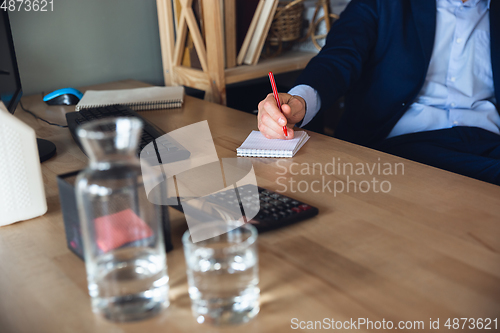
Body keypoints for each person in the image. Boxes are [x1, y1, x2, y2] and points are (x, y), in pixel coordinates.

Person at [257, 0, 500, 185]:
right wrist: (299, 101)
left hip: (490, 139)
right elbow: (338, 58)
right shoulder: (384, 4)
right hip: (408, 144)